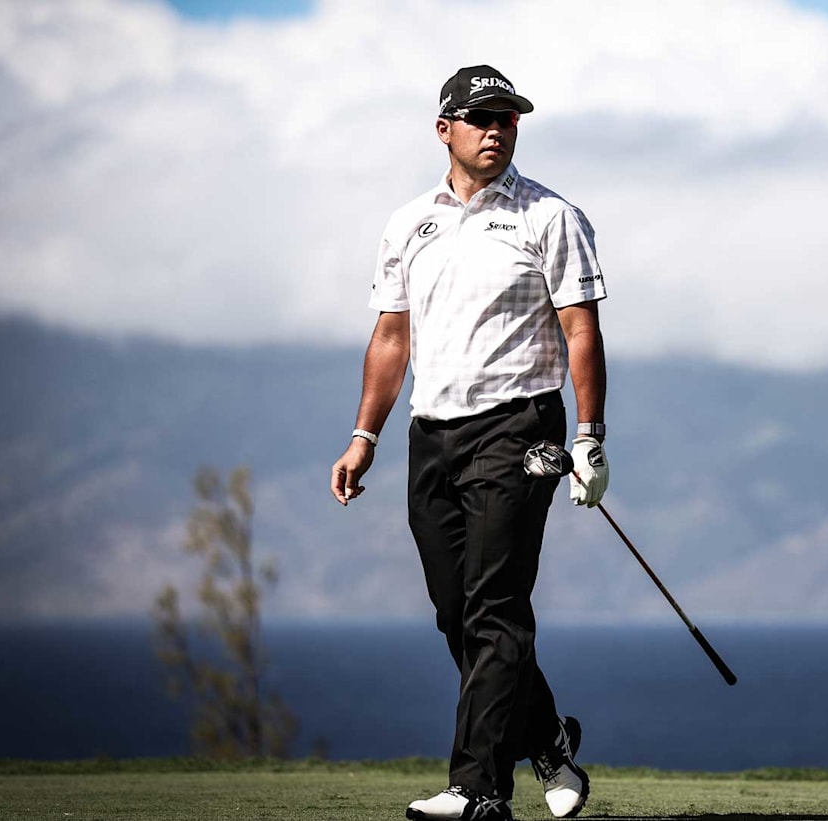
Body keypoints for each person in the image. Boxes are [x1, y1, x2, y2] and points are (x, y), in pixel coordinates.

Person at [329, 64, 610, 821]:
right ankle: (546, 736)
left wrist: (589, 436)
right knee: (457, 614)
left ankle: (478, 789)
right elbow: (391, 338)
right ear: (444, 129)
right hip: (432, 435)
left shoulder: (550, 216)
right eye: (481, 118)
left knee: (496, 609)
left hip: (519, 429)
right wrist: (364, 435)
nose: (496, 131)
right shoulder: (408, 223)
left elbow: (581, 330)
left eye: (507, 119)